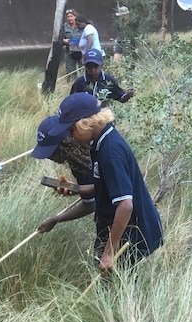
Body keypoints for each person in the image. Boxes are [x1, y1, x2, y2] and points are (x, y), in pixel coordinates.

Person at [50, 92, 163, 270]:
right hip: (121, 228)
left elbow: (125, 205)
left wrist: (109, 252)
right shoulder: (100, 141)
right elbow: (104, 184)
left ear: (84, 124)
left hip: (131, 231)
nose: (71, 136)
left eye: (72, 130)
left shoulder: (110, 152)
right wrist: (77, 189)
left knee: (117, 283)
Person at [33, 115, 96, 233]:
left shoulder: (100, 149)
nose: (49, 157)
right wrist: (78, 189)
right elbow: (91, 202)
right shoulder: (78, 163)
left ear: (66, 144)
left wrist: (80, 189)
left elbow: (110, 187)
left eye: (51, 152)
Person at [70, 48, 135, 104]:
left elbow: (120, 97)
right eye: (89, 66)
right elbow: (72, 102)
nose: (92, 70)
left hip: (102, 116)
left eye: (95, 66)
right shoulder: (79, 83)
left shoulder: (109, 80)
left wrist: (128, 95)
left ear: (101, 65)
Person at [63, 9, 84, 81]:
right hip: (69, 52)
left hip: (81, 51)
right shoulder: (64, 27)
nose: (69, 18)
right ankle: (71, 87)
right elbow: (59, 39)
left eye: (71, 16)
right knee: (71, 73)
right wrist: (63, 41)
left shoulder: (80, 25)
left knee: (83, 70)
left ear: (75, 17)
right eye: (68, 17)